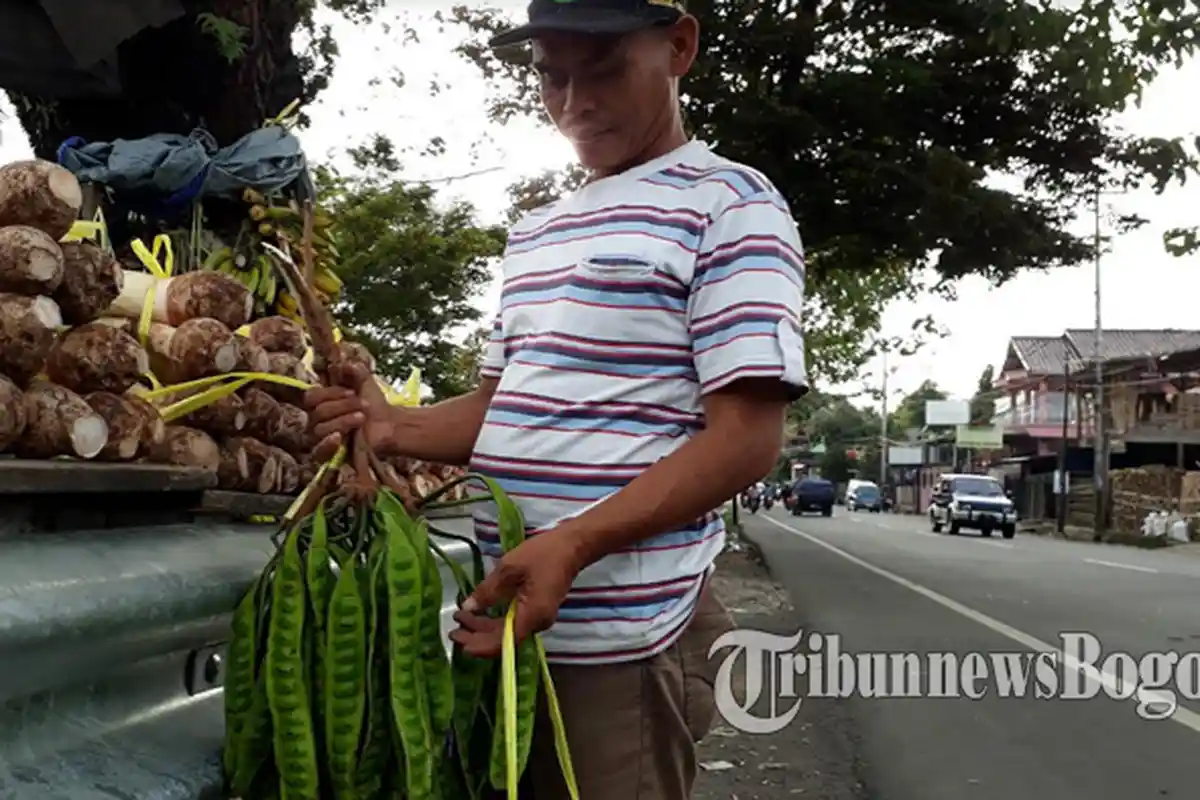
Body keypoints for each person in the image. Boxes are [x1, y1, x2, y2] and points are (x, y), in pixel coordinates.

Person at [304, 0, 809, 796]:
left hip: (619, 638)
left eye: (602, 68)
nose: (574, 101)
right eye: (551, 73)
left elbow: (745, 439)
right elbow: (503, 409)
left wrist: (572, 545)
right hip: (511, 615)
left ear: (678, 47)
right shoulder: (539, 231)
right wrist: (391, 424)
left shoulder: (730, 206)